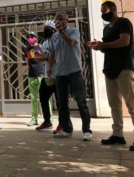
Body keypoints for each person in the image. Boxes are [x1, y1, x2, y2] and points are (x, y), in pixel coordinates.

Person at [87, 1, 134, 149]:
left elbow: (124, 41)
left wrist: (104, 45)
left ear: (113, 9)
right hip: (109, 69)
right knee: (114, 104)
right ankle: (118, 135)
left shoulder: (124, 22)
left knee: (131, 104)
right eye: (101, 12)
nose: (103, 14)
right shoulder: (106, 29)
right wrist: (99, 46)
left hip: (124, 68)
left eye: (105, 11)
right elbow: (107, 49)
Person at [48, 11, 92, 141]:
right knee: (62, 103)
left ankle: (87, 130)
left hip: (74, 71)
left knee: (81, 102)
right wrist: (50, 68)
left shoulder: (74, 31)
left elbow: (71, 43)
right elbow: (53, 52)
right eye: (57, 20)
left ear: (67, 20)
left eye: (62, 19)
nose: (59, 22)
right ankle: (67, 129)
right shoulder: (54, 36)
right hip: (60, 73)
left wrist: (62, 32)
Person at [35, 21, 62, 133]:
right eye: (44, 28)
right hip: (47, 75)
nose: (45, 31)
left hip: (58, 74)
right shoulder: (45, 43)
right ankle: (47, 121)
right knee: (43, 97)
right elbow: (45, 59)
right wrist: (40, 58)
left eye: (48, 28)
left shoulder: (59, 42)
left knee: (60, 101)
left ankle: (62, 123)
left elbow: (59, 58)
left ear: (53, 30)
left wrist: (46, 59)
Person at [24, 31, 44, 126]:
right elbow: (27, 61)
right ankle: (34, 118)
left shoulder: (41, 47)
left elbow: (45, 59)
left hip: (41, 74)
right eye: (28, 37)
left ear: (36, 37)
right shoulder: (27, 49)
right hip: (31, 75)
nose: (30, 38)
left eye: (32, 36)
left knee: (45, 98)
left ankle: (48, 118)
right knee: (33, 98)